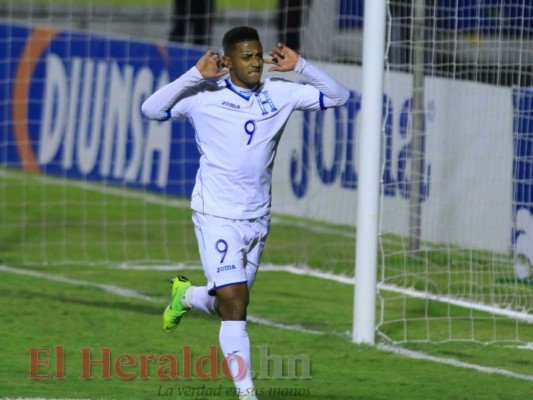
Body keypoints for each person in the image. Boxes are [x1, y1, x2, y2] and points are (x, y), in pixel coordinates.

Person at [141, 26, 349, 400]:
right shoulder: (204, 95)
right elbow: (151, 109)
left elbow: (339, 96)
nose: (256, 63)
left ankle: (186, 297)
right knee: (236, 304)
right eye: (247, 57)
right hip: (216, 214)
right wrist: (193, 74)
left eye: (258, 55)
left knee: (227, 303)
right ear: (229, 60)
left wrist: (301, 65)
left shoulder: (280, 92)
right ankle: (247, 395)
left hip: (257, 218)